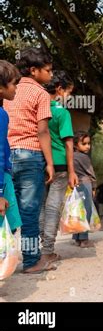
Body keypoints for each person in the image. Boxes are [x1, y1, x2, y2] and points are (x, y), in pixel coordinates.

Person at [3, 47, 56, 274]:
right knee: (29, 213)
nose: (51, 75)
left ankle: (7, 259)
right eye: (48, 70)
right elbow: (42, 131)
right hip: (30, 154)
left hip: (6, 156)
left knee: (8, 211)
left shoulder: (8, 89)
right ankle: (32, 261)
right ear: (34, 71)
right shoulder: (41, 94)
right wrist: (50, 163)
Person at [39, 71, 79, 262]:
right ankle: (47, 250)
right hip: (60, 165)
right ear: (59, 89)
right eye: (68, 92)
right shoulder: (62, 112)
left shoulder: (37, 110)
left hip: (40, 162)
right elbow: (69, 143)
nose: (69, 97)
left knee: (39, 206)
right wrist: (72, 171)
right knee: (53, 207)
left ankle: (39, 247)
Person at [0, 60, 22, 234]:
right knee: (7, 230)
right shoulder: (1, 115)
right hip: (2, 181)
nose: (16, 88)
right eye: (14, 84)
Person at [71, 131, 97, 247]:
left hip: (74, 186)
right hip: (85, 185)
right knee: (86, 211)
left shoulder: (70, 156)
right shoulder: (84, 157)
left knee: (77, 212)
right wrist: (94, 187)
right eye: (84, 144)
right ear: (76, 145)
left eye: (88, 144)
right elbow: (91, 174)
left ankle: (77, 237)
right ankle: (84, 239)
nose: (88, 146)